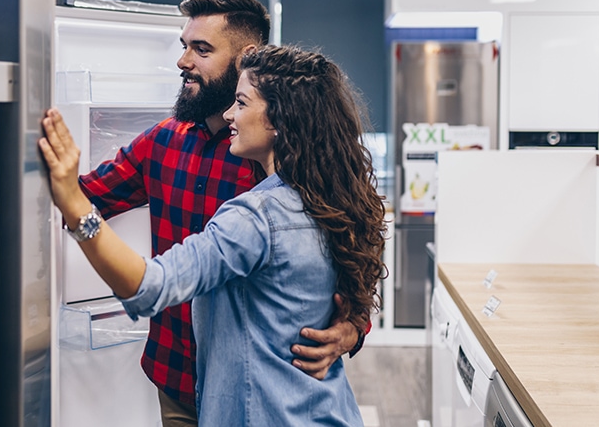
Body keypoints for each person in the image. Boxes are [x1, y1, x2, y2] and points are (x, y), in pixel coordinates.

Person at [40, 44, 388, 426]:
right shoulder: (330, 194)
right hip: (320, 410)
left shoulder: (257, 215)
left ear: (278, 120)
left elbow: (150, 286)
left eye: (241, 103)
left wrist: (75, 206)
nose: (229, 114)